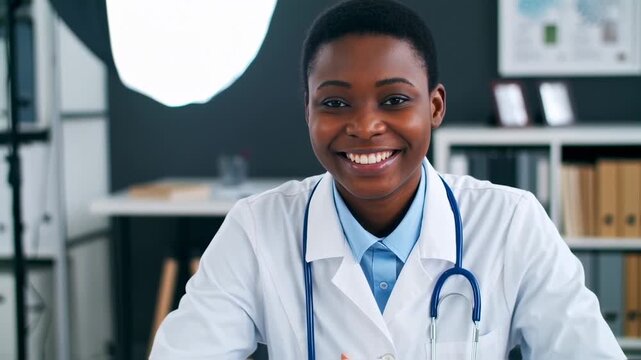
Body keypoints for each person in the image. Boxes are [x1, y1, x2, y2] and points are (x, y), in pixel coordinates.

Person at [150, 1, 624, 358]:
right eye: (335, 104)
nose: (365, 126)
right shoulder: (256, 230)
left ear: (434, 106)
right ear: (308, 112)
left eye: (394, 100)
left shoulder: (511, 222)